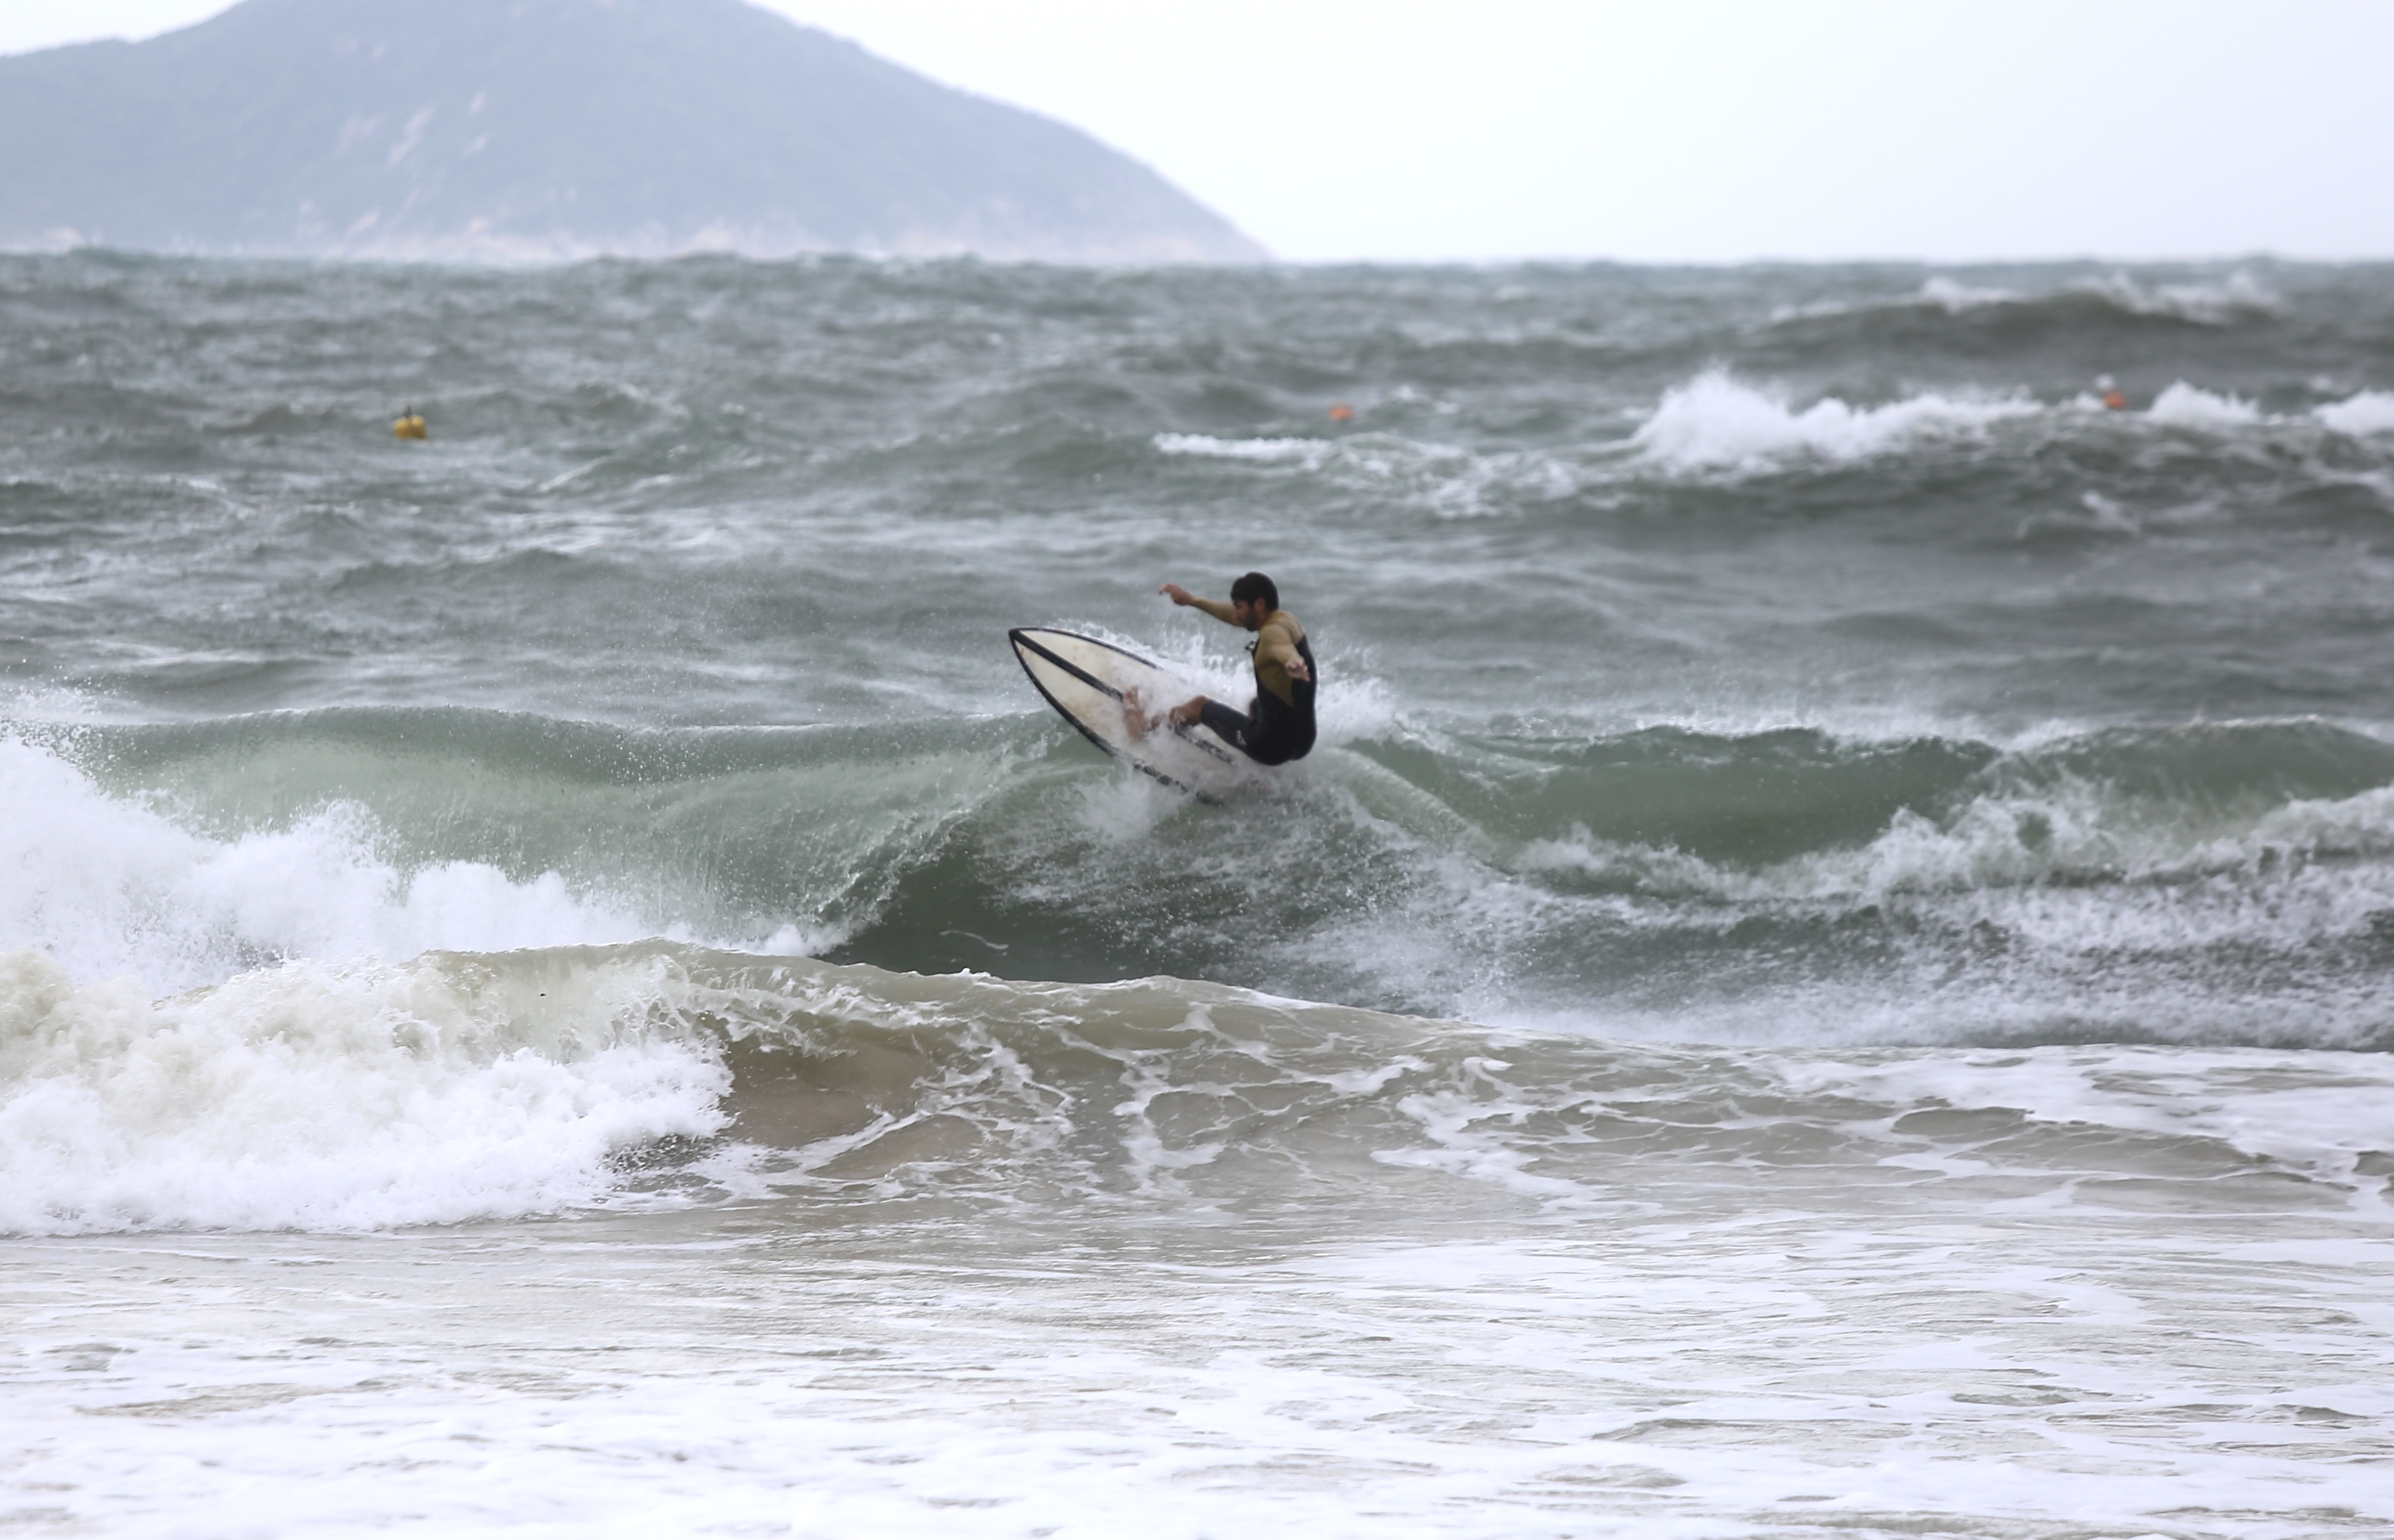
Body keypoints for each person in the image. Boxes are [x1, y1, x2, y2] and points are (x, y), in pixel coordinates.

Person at [1126, 572, 1317, 765]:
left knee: (1199, 706)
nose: (1236, 615)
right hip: (1303, 742)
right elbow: (1235, 617)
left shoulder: (1271, 633)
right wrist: (1192, 600)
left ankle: (1144, 728)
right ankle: (1260, 771)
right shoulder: (1287, 621)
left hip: (1269, 745)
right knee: (1256, 705)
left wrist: (1292, 662)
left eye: (1240, 607)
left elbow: (1281, 647)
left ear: (1260, 604)